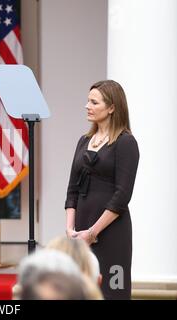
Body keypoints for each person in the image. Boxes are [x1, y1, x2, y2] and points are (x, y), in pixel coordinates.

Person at [65, 80, 139, 299]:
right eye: (88, 101)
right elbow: (72, 190)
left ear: (112, 107)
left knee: (112, 291)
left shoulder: (126, 143)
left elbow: (122, 196)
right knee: (82, 292)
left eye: (94, 102)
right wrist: (71, 229)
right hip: (81, 232)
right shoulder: (83, 141)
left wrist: (93, 232)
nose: (87, 106)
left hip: (112, 233)